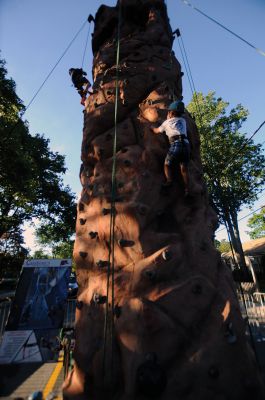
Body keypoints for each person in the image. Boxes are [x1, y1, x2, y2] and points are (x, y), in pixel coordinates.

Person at [151, 100, 190, 195]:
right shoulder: (183, 121)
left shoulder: (166, 123)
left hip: (176, 144)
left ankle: (169, 180)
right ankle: (187, 189)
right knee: (183, 168)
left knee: (167, 164)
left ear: (171, 113)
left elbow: (157, 131)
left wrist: (152, 128)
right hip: (186, 144)